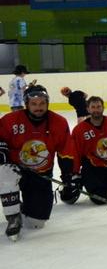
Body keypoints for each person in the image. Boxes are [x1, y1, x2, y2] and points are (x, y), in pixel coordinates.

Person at [0, 84, 80, 241]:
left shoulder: (59, 122)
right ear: (26, 104)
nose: (39, 107)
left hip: (41, 174)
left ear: (47, 103)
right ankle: (13, 217)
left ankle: (21, 206)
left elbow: (66, 152)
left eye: (42, 103)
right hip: (16, 169)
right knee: (4, 172)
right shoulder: (9, 120)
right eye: (34, 104)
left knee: (36, 222)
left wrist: (68, 176)